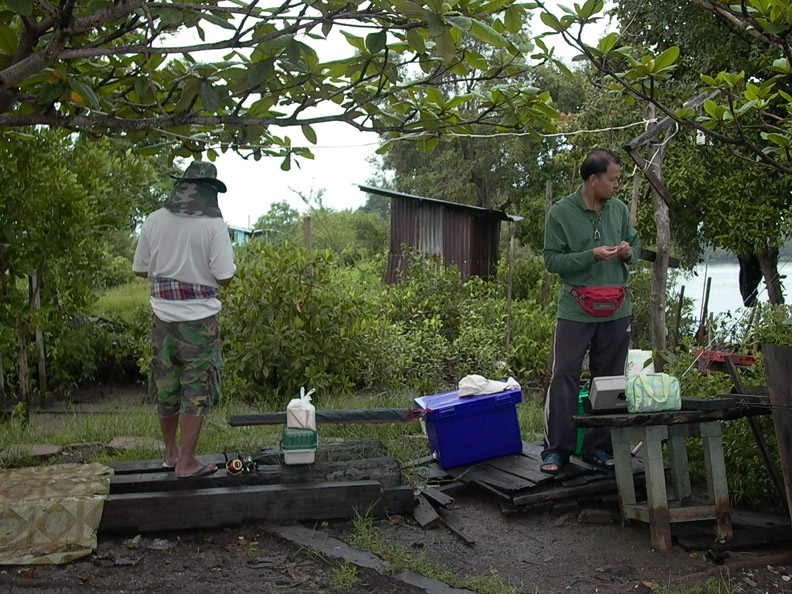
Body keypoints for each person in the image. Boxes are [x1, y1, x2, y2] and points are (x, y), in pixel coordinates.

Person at [133, 160, 236, 479]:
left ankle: (170, 453)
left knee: (166, 384)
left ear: (181, 186)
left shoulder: (153, 220)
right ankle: (187, 461)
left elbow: (139, 269)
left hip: (162, 317)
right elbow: (224, 276)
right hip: (200, 321)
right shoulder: (213, 224)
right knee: (196, 386)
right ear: (210, 192)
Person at [540, 148, 640, 474]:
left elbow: (635, 247)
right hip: (575, 308)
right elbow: (552, 261)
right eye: (612, 180)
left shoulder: (619, 210)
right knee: (565, 375)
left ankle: (597, 449)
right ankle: (557, 450)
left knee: (610, 380)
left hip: (616, 308)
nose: (616, 185)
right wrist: (589, 256)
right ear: (593, 180)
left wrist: (627, 253)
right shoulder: (561, 212)